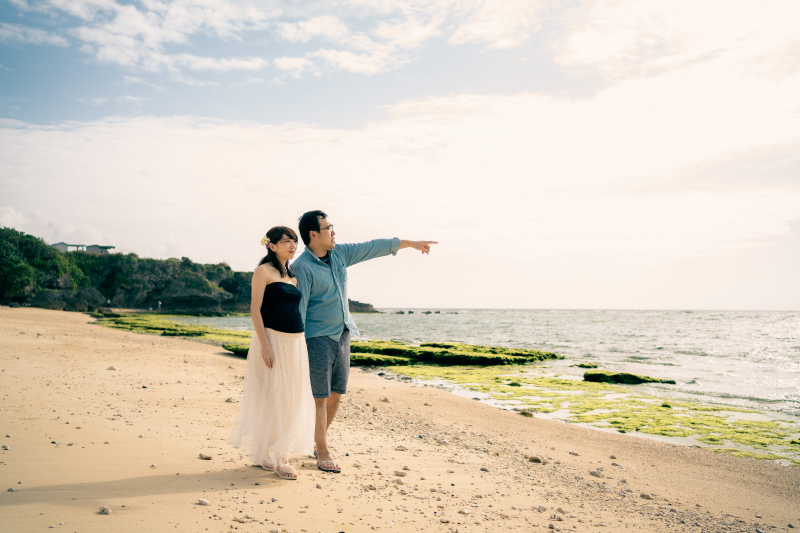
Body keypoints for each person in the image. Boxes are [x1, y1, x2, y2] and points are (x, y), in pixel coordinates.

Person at [291, 210, 436, 473]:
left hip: (344, 333)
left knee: (336, 394)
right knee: (320, 398)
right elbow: (298, 312)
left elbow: (372, 247)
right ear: (313, 234)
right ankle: (322, 450)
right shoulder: (302, 268)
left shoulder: (340, 254)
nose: (334, 232)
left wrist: (411, 244)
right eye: (328, 227)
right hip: (317, 339)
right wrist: (295, 349)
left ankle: (316, 441)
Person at [228, 226, 315, 480]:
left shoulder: (293, 277)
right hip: (272, 340)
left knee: (291, 397)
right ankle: (274, 455)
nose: (292, 246)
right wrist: (265, 344)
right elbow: (255, 310)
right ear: (272, 245)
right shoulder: (262, 272)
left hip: (296, 342)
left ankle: (279, 453)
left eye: (294, 242)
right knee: (272, 396)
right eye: (287, 241)